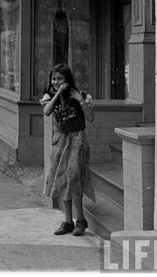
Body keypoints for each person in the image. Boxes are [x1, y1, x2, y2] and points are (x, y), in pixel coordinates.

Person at [40, 63, 95, 236]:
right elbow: (47, 111)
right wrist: (57, 93)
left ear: (67, 79)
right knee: (63, 180)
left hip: (76, 139)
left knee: (74, 178)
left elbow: (91, 118)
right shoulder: (49, 96)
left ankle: (81, 219)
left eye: (60, 78)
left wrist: (79, 100)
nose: (56, 81)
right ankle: (67, 221)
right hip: (59, 141)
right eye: (54, 78)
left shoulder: (81, 95)